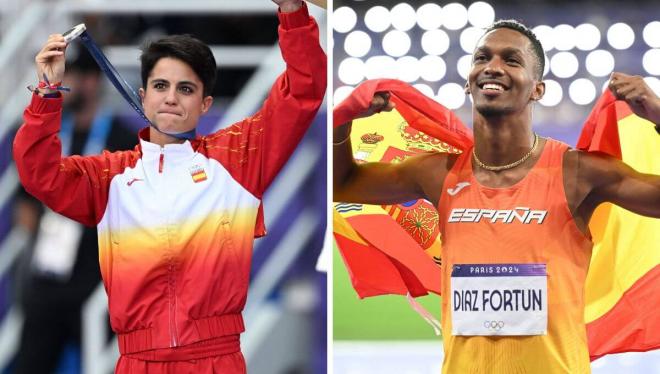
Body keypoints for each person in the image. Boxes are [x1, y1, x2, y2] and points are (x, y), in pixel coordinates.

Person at [13, 0, 326, 372]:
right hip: (137, 361)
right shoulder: (111, 177)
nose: (172, 97)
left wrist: (292, 11)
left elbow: (302, 91)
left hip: (216, 360)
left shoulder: (237, 159)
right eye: (160, 85)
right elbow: (39, 173)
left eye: (186, 89)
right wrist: (48, 92)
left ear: (205, 104)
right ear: (143, 98)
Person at [333, 20, 660, 373]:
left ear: (538, 89)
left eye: (512, 61)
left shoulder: (577, 173)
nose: (493, 67)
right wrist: (342, 121)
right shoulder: (438, 174)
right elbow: (345, 183)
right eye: (482, 57)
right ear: (467, 81)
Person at [12, 48, 134, 373]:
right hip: (48, 279)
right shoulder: (51, 135)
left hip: (96, 281)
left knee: (107, 364)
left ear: (93, 82)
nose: (67, 86)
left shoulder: (120, 139)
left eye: (73, 78)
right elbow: (25, 200)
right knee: (30, 363)